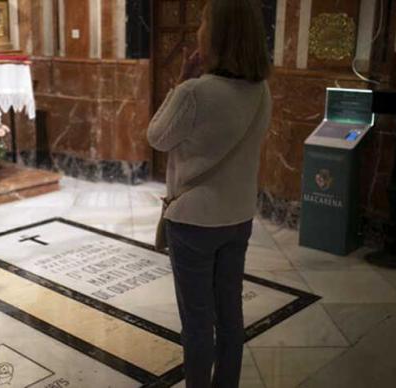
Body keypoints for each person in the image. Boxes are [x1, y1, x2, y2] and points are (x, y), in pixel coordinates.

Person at [146, 0, 272, 387]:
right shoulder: (261, 91)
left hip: (195, 223)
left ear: (216, 33)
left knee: (198, 324)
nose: (199, 28)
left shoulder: (195, 93)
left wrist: (182, 81)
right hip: (238, 218)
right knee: (230, 318)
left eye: (204, 21)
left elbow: (156, 136)